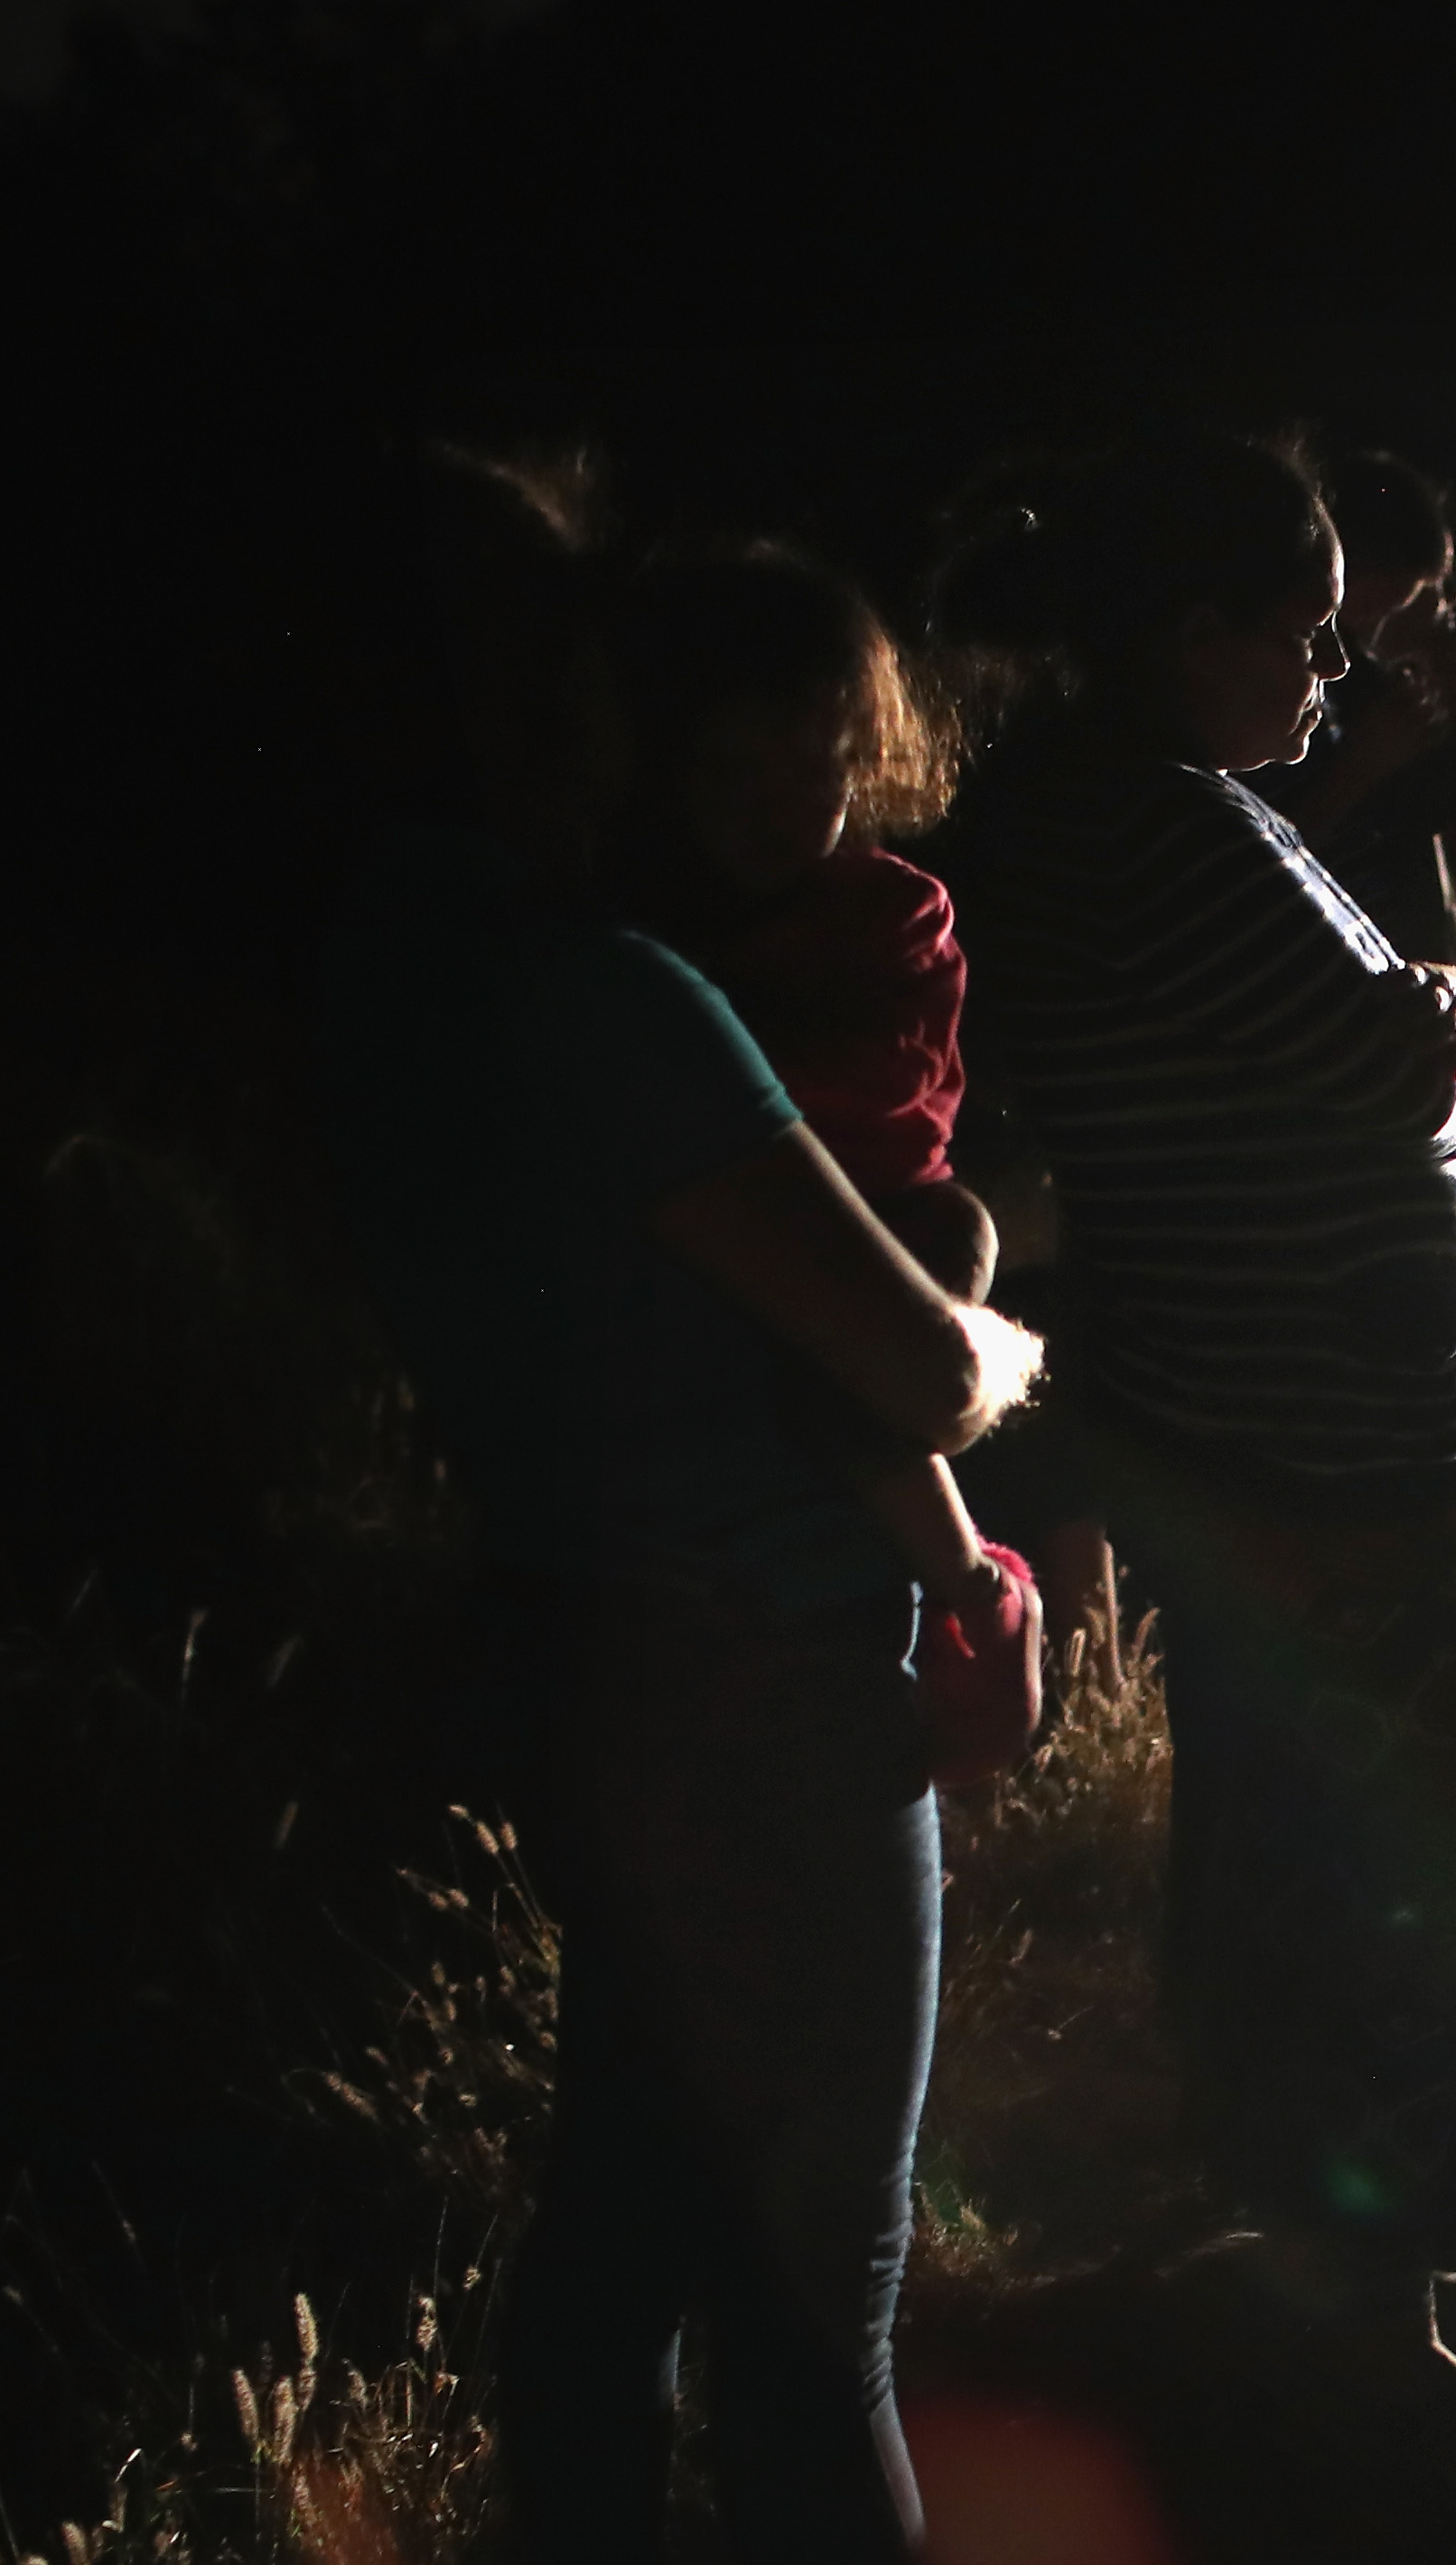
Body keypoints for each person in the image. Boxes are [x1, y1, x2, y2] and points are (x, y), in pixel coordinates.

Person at [305, 447, 1245, 2565]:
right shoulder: (617, 1010)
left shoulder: (402, 995)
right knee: (807, 2284)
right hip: (751, 1682)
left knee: (627, 2229)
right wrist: (995, 1323)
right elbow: (917, 1365)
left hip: (600, 1648)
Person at [929, 429, 1456, 2485]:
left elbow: (1384, 1034)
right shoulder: (1135, 828)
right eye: (1301, 636)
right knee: (1429, 1856)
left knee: (1317, 1870)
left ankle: (1335, 2270)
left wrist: (1433, 1014)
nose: (1332, 675)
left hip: (1292, 1428)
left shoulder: (1175, 802)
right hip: (1279, 1450)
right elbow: (1391, 1056)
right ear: (1193, 634)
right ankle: (1347, 2331)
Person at [618, 537, 1041, 1785]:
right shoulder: (642, 930)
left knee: (950, 1243)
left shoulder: (886, 914)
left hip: (881, 1217)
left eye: (821, 770)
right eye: (736, 771)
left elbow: (873, 1106)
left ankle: (966, 1577)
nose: (782, 809)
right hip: (747, 1248)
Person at [1252, 452, 1456, 1409]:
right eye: (1390, 600)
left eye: (1430, 598)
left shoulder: (1392, 696)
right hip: (1369, 1037)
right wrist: (1363, 766)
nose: (1401, 625)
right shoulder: (1288, 712)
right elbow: (1262, 859)